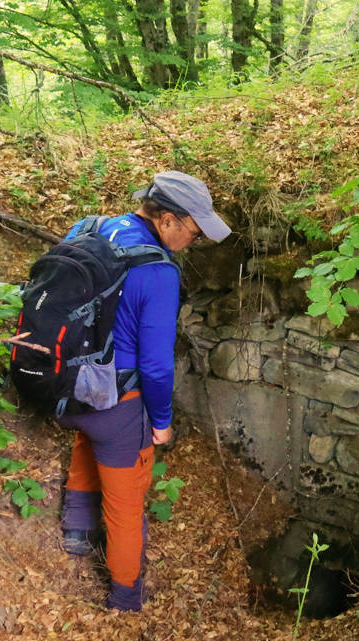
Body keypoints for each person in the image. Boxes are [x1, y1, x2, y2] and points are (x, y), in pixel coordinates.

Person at [58, 171, 231, 611]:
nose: (192, 242)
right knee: (126, 503)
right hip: (118, 401)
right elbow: (155, 365)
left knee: (86, 434)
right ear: (169, 219)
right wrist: (161, 423)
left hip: (63, 384)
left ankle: (76, 530)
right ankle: (125, 597)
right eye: (193, 232)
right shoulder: (157, 272)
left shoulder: (87, 228)